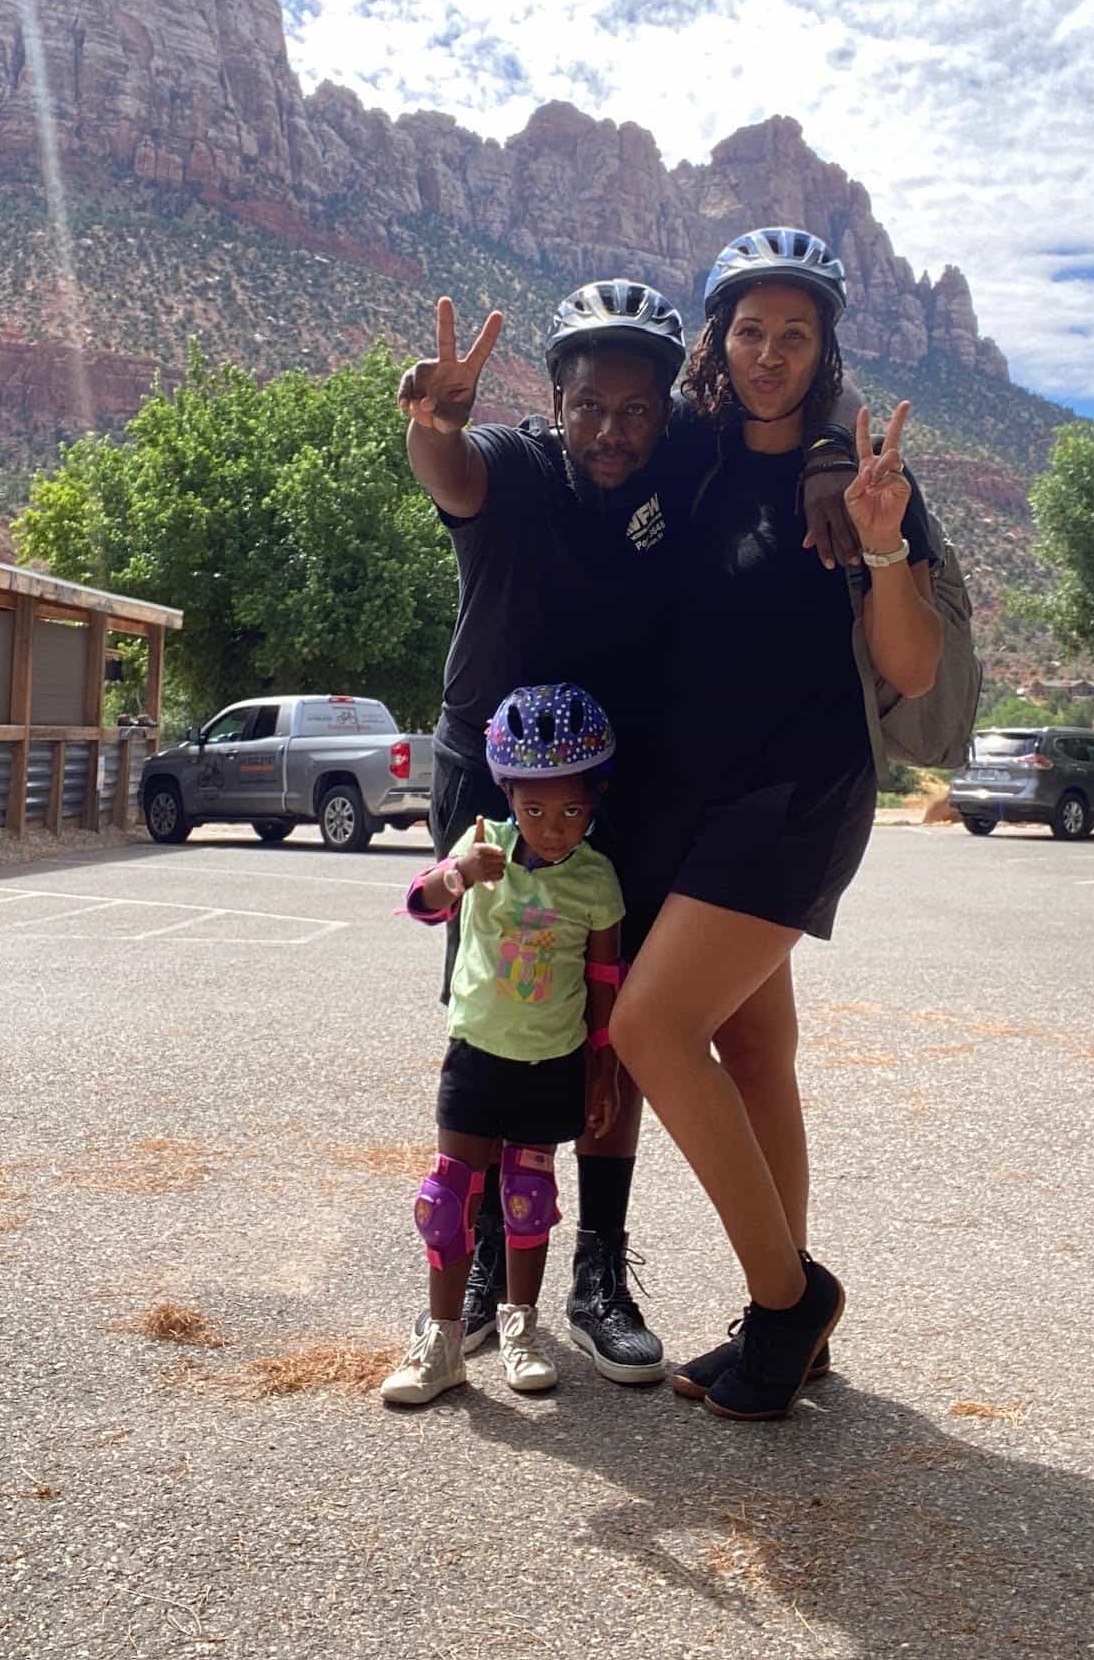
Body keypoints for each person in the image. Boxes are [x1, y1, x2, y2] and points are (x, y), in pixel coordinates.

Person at [397, 280, 865, 1381]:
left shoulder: (684, 460)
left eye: (636, 409)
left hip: (622, 791)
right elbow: (451, 473)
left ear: (668, 409)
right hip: (494, 780)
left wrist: (831, 455)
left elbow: (798, 394)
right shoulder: (514, 462)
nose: (612, 430)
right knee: (497, 1014)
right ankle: (484, 1262)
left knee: (614, 1019)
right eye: (589, 407)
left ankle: (598, 1269)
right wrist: (433, 426)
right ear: (553, 400)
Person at [609, 225, 944, 1423]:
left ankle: (789, 1299)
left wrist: (885, 538)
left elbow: (910, 665)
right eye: (750, 329)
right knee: (754, 1052)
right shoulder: (693, 454)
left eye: (794, 333)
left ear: (823, 347)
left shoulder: (865, 477)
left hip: (800, 796)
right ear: (719, 338)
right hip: (698, 800)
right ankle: (784, 1324)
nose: (769, 352)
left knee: (651, 1026)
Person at [380, 684, 626, 1407]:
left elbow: (604, 983)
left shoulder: (596, 880)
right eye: (535, 809)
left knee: (528, 1197)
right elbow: (421, 904)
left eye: (572, 811)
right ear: (509, 796)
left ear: (596, 803)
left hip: (552, 1061)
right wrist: (459, 873)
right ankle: (442, 1343)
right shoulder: (484, 843)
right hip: (477, 1053)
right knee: (447, 1196)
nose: (552, 829)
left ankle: (521, 1330)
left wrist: (602, 1073)